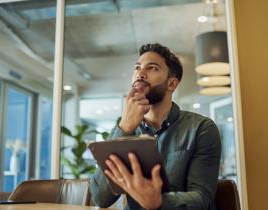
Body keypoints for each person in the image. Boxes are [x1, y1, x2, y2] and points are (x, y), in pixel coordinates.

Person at [90, 43, 221, 210]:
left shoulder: (202, 128)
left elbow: (202, 199)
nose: (140, 74)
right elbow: (100, 198)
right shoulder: (124, 128)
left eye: (152, 68)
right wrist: (124, 128)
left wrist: (158, 203)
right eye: (137, 68)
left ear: (172, 84)